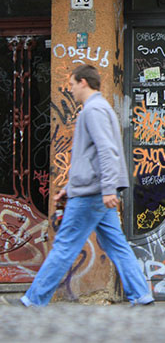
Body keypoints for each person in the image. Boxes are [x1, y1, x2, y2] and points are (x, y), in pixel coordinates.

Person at [8, 65, 154, 307]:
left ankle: (33, 299)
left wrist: (107, 188)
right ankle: (141, 294)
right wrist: (71, 187)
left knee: (64, 245)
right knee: (116, 244)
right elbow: (92, 157)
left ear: (84, 82)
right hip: (94, 191)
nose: (71, 88)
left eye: (73, 83)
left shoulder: (93, 110)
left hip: (91, 194)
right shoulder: (101, 107)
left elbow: (106, 150)